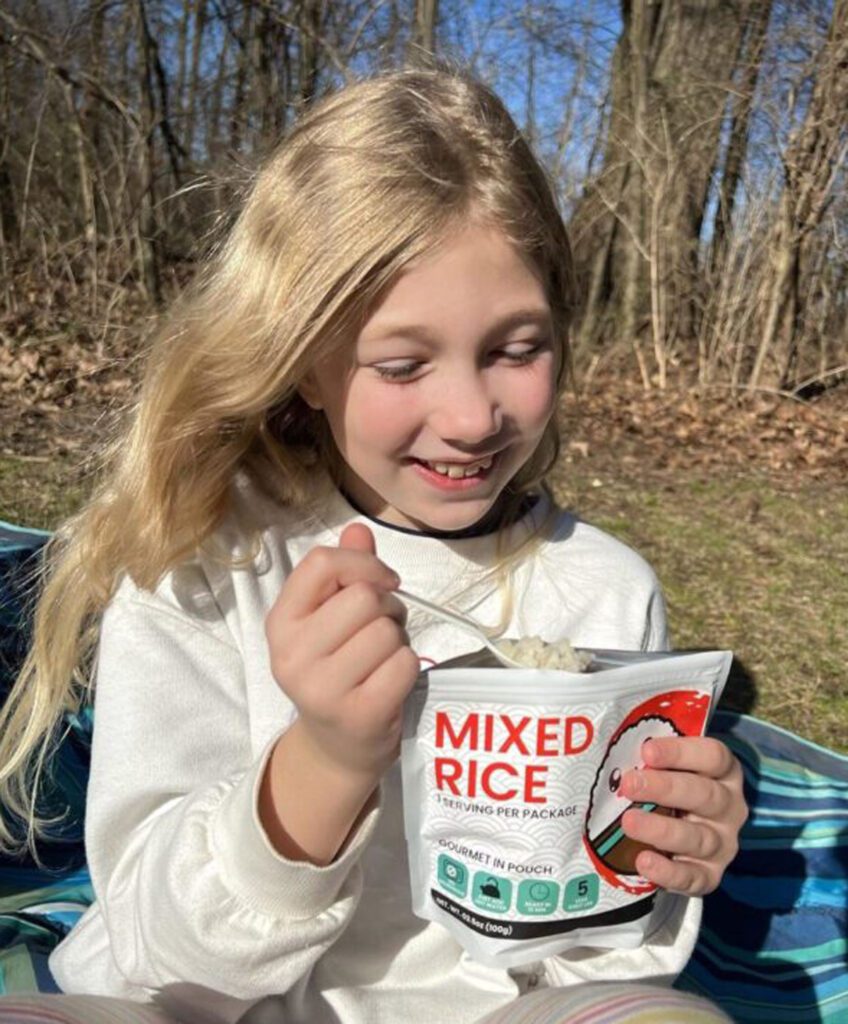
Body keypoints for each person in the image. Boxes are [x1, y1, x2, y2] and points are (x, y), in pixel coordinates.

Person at [0, 66, 746, 1024]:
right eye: (402, 364)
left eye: (517, 348)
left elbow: (600, 967)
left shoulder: (600, 592)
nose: (473, 415)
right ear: (304, 364)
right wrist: (326, 761)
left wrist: (660, 861)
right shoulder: (200, 561)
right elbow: (154, 949)